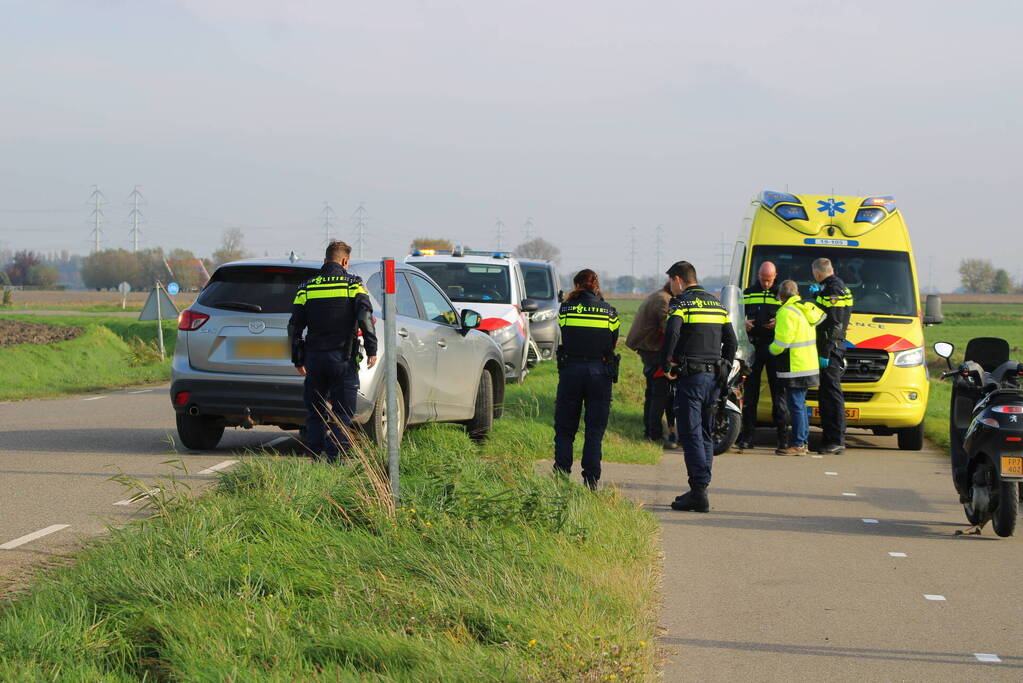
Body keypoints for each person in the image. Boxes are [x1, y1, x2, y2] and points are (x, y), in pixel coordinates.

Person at [288, 240, 378, 462]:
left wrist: (297, 358)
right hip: (342, 358)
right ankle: (334, 456)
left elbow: (294, 326)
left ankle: (314, 455)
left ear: (325, 260)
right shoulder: (353, 285)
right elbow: (365, 317)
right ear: (345, 261)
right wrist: (371, 348)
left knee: (316, 411)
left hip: (314, 359)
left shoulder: (307, 286)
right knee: (343, 413)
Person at [660, 261, 737, 512]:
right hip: (714, 377)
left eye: (672, 282)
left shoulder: (681, 302)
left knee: (691, 432)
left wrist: (667, 364)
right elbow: (732, 342)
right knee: (705, 432)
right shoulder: (717, 304)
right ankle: (701, 487)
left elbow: (672, 333)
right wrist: (724, 365)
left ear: (679, 280)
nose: (672, 287)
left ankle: (698, 490)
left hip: (690, 377)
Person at [553, 269, 620, 489]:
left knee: (565, 428)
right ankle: (591, 481)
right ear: (596, 285)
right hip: (599, 373)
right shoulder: (609, 312)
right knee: (594, 430)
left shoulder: (565, 309)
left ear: (576, 285)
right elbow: (612, 341)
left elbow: (563, 331)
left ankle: (561, 476)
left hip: (571, 370)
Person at [736, 261, 789, 450]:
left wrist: (778, 322)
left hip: (775, 349)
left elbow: (790, 314)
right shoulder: (748, 292)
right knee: (750, 395)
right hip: (754, 347)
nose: (766, 284)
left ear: (775, 276)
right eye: (763, 279)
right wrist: (744, 322)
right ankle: (747, 437)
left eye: (769, 280)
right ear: (758, 275)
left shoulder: (781, 294)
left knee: (779, 395)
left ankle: (783, 439)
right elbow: (738, 314)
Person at [769, 280, 825, 455]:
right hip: (808, 364)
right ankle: (803, 442)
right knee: (800, 404)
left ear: (781, 296)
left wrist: (769, 349)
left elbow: (782, 343)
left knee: (796, 406)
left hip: (795, 365)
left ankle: (798, 444)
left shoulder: (786, 312)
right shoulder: (804, 308)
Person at [625, 281, 678, 449]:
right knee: (660, 395)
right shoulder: (665, 300)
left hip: (647, 349)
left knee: (653, 394)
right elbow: (669, 329)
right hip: (653, 350)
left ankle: (649, 432)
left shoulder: (659, 296)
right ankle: (655, 436)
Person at [810, 257, 854, 454]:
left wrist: (826, 351)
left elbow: (835, 323)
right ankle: (830, 437)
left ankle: (836, 439)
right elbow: (825, 313)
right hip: (832, 346)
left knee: (832, 394)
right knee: (826, 394)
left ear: (817, 273)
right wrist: (816, 297)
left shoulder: (833, 290)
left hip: (831, 347)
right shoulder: (834, 287)